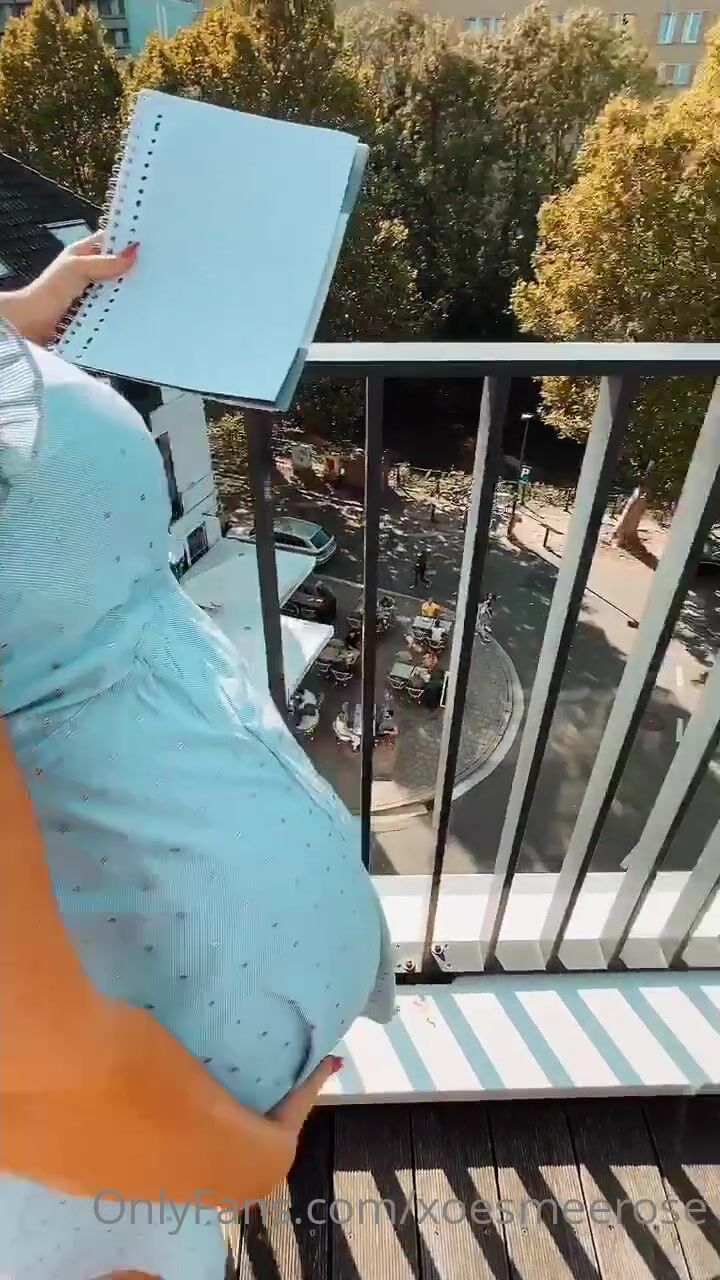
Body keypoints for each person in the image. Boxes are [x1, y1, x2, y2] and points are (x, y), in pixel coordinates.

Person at [0, 236, 395, 1278]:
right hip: (101, 1150)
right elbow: (36, 1069)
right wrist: (239, 1164)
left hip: (149, 1108)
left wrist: (25, 313)